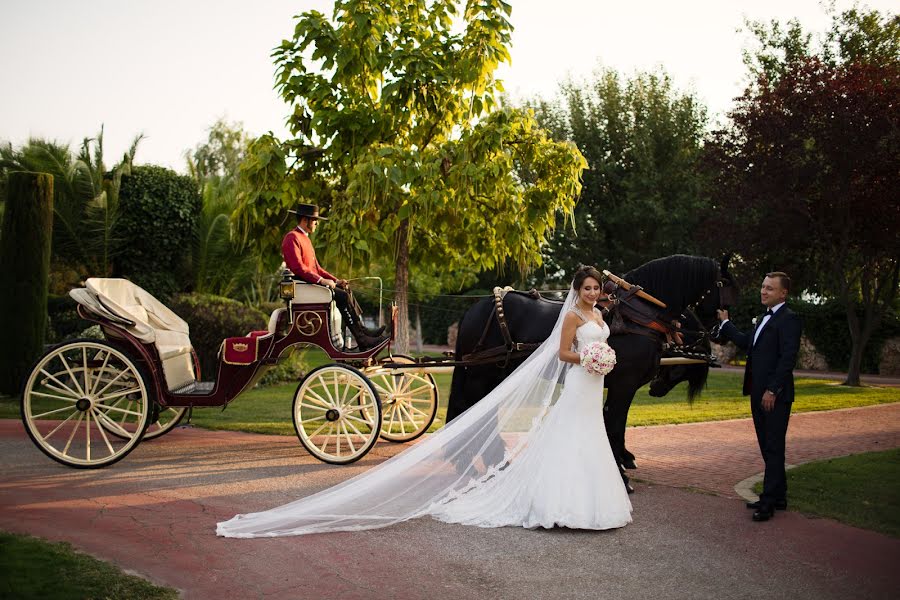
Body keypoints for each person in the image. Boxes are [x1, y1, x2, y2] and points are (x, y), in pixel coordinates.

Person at [217, 266, 632, 537]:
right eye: (588, 287)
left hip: (588, 383)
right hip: (583, 375)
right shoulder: (576, 317)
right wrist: (591, 358)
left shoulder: (597, 316)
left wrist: (601, 359)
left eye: (597, 288)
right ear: (579, 289)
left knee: (587, 434)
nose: (593, 293)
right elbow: (562, 352)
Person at [716, 272, 801, 522]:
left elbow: (788, 359)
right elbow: (747, 343)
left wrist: (772, 390)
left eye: (770, 289)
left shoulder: (789, 319)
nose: (764, 292)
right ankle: (779, 496)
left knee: (773, 447)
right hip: (757, 392)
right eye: (763, 287)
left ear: (783, 293)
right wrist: (726, 324)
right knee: (768, 446)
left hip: (774, 395)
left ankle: (768, 502)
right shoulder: (764, 317)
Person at [281, 203, 386, 350]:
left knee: (345, 290)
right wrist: (322, 280)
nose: (317, 223)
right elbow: (299, 268)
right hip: (302, 287)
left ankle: (363, 331)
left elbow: (317, 268)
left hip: (311, 284)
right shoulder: (292, 238)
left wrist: (336, 281)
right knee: (342, 296)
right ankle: (362, 339)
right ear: (305, 220)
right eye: (315, 220)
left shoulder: (305, 238)